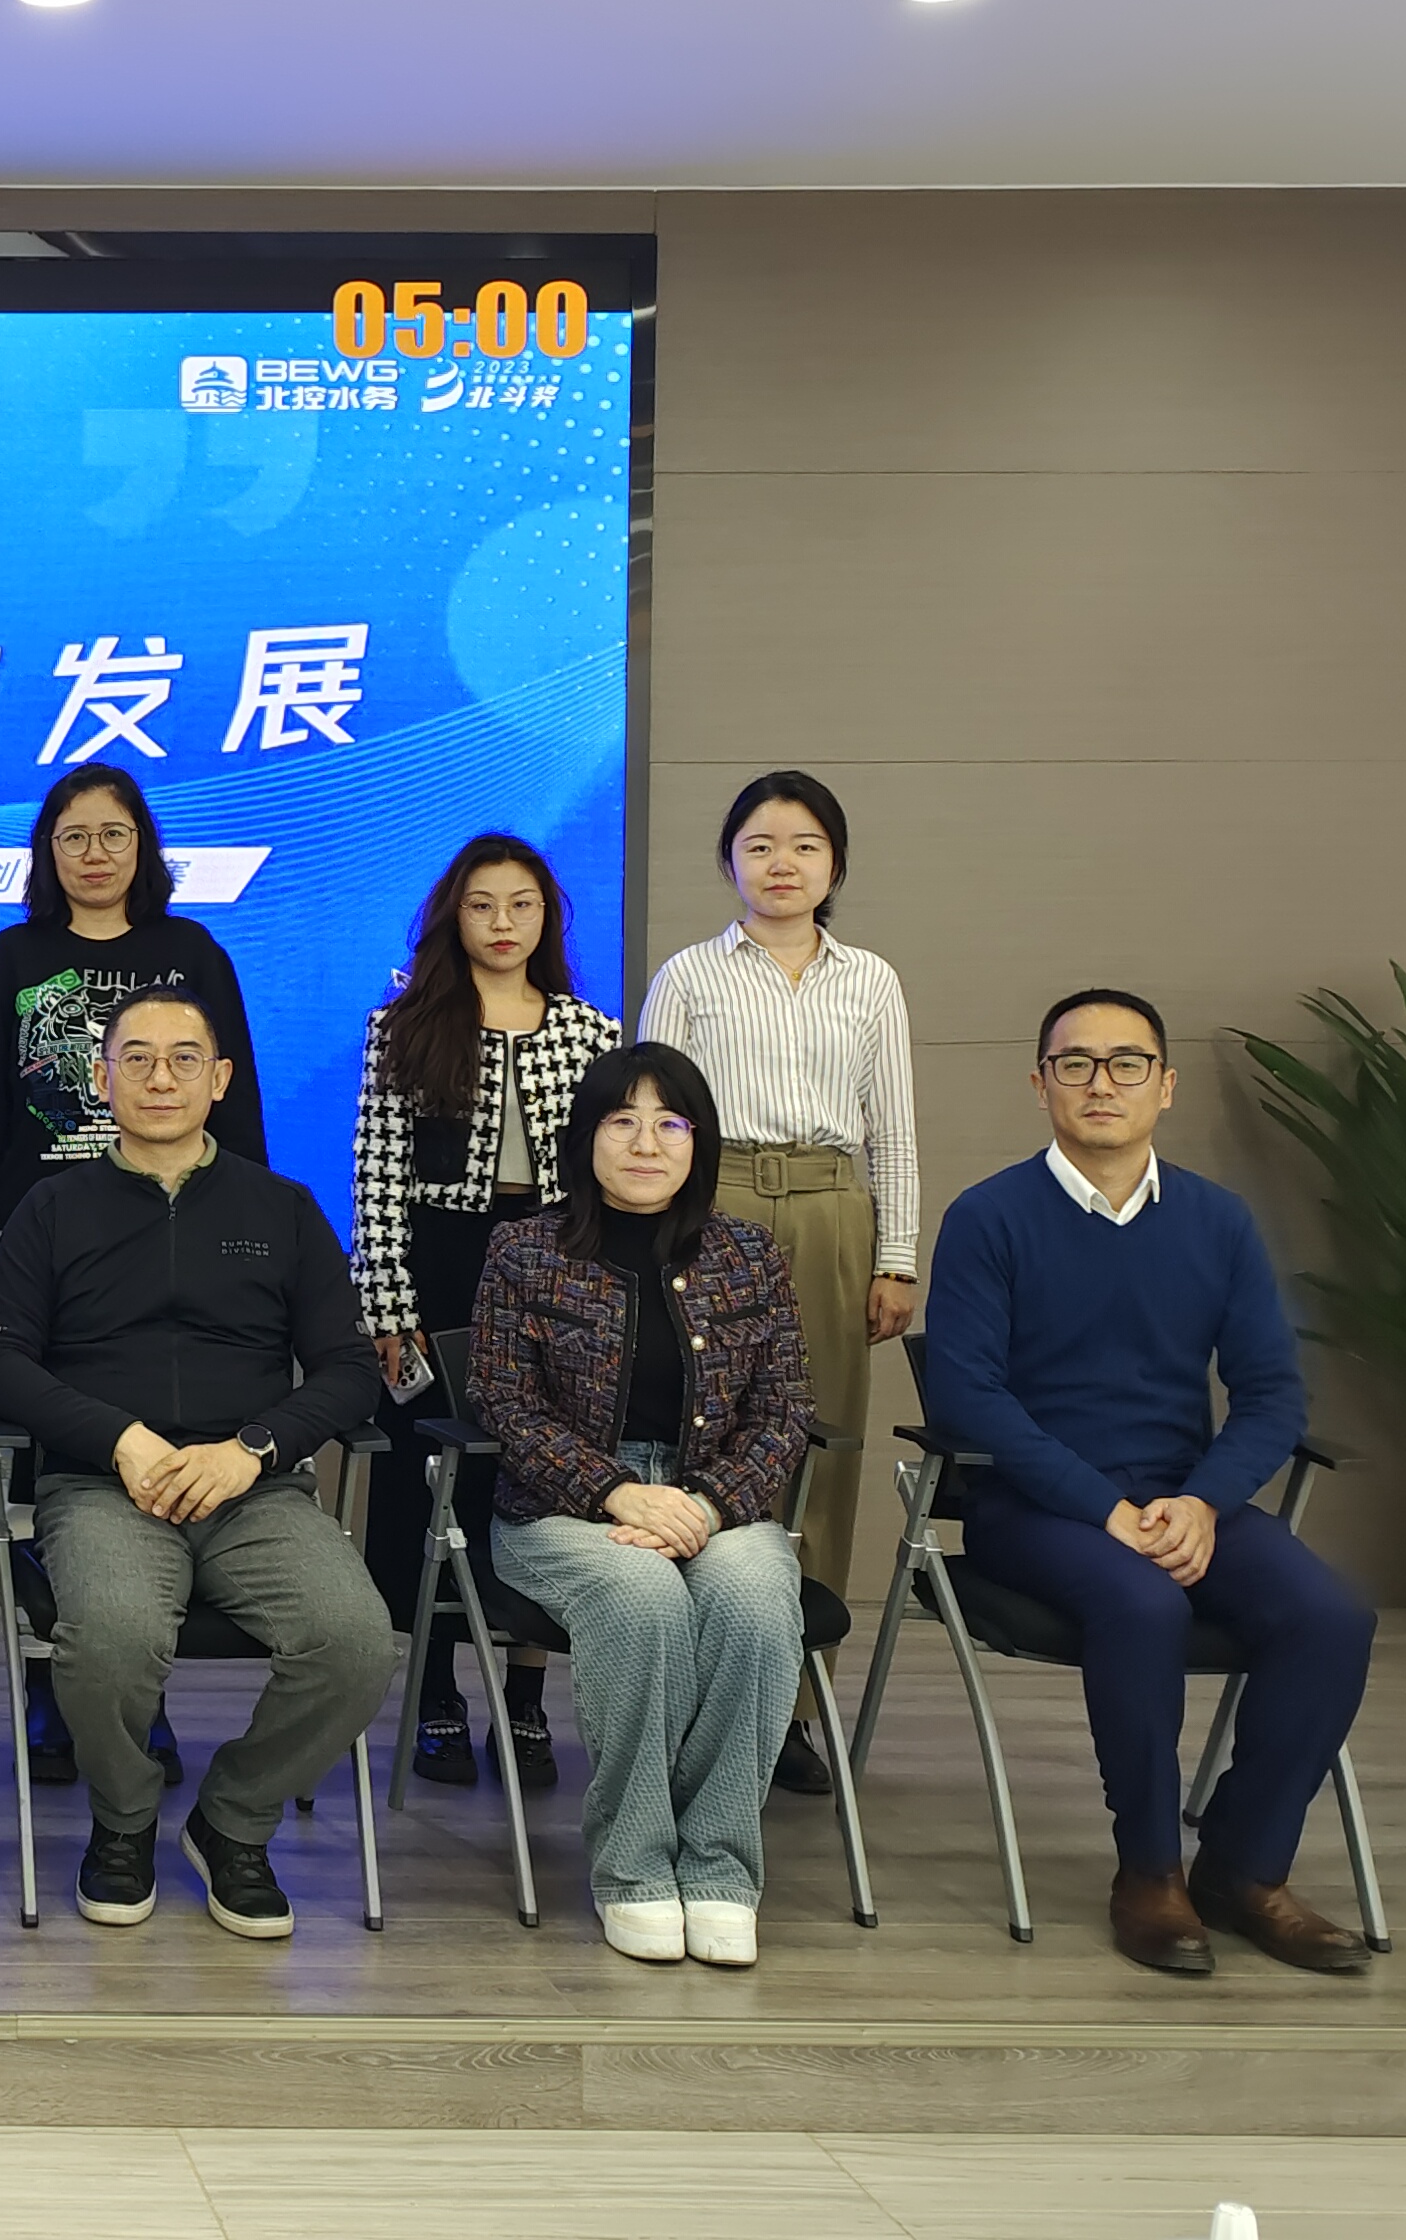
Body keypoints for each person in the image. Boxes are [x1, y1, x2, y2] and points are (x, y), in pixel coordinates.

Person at [919, 989, 1372, 1976]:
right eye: (1075, 1063)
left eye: (1127, 1063)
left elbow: (1270, 1395)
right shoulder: (989, 1217)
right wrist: (1104, 1508)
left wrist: (1204, 1500)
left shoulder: (1217, 1221)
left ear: (1164, 1087)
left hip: (1183, 1496)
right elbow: (966, 1396)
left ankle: (1244, 1869)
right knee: (1142, 1604)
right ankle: (1151, 1872)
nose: (1102, 1083)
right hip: (1036, 1507)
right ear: (1040, 1083)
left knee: (1331, 1616)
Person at [0, 985, 397, 1942]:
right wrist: (117, 1437)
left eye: (184, 1059)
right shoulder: (51, 1207)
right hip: (104, 1486)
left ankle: (232, 1819)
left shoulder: (283, 1208)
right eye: (138, 1059)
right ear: (101, 1077)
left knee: (357, 1642)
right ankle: (124, 1820)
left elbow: (349, 1371)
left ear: (221, 1079)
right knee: (111, 1637)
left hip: (254, 1491)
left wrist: (253, 1450)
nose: (160, 1079)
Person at [0, 765, 262, 1783]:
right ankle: (56, 1679)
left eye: (113, 834)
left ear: (142, 848)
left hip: (175, 1226)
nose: (93, 853)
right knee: (48, 1461)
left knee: (164, 1442)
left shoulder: (192, 954)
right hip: (40, 1240)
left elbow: (238, 1099)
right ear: (48, 851)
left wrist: (250, 1218)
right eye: (73, 835)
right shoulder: (11, 959)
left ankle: (138, 1694)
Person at [471, 1044, 816, 1969]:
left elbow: (785, 1410)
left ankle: (719, 1865)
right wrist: (615, 1490)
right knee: (643, 1598)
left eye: (670, 1123)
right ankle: (633, 1867)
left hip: (716, 1497)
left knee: (754, 1601)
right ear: (585, 1139)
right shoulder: (526, 1249)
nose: (645, 1143)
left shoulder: (748, 1253)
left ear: (698, 1143)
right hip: (564, 1505)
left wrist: (707, 1503)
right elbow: (503, 1401)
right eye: (621, 1121)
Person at [640, 769, 916, 1799]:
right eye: (759, 845)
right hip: (715, 1205)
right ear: (729, 863)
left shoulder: (871, 980)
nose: (782, 864)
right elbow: (649, 1120)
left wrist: (897, 1256)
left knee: (822, 1450)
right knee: (698, 1437)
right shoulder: (690, 975)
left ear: (835, 864)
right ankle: (690, 1692)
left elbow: (894, 1130)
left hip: (834, 1204)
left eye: (804, 845)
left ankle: (795, 1706)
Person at [350, 833, 621, 1795]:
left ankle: (527, 1697)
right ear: (451, 916)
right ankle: (434, 1693)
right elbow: (376, 1180)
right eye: (482, 905)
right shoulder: (404, 1026)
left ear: (548, 918)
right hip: (437, 1262)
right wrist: (389, 1309)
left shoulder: (592, 1034)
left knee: (539, 1477)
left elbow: (606, 1184)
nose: (503, 923)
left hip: (554, 1265)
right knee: (432, 1482)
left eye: (522, 905)